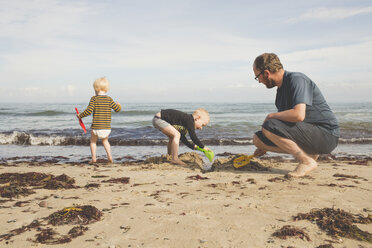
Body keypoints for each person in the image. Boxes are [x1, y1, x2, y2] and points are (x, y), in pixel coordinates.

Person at [252, 53, 339, 177]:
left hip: (327, 135)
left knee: (269, 124)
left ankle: (306, 161)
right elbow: (286, 127)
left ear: (266, 73)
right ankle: (310, 155)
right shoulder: (280, 95)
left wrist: (271, 116)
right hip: (309, 134)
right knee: (258, 139)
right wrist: (265, 145)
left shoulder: (297, 79)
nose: (259, 81)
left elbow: (298, 115)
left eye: (258, 77)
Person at [77, 77, 121, 164]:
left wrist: (80, 116)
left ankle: (93, 158)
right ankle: (109, 156)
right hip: (106, 127)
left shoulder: (94, 99)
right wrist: (119, 105)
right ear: (106, 89)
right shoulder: (109, 99)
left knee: (93, 142)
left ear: (96, 89)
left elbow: (89, 111)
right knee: (105, 141)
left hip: (96, 127)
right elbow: (117, 109)